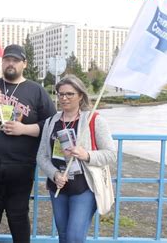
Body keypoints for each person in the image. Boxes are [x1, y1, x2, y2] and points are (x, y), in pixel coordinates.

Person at [0, 44, 57, 242]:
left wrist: (25, 129)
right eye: (7, 59)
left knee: (18, 216)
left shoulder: (36, 90)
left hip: (20, 166)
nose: (10, 63)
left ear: (24, 64)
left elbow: (52, 125)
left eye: (15, 60)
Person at [37, 75, 116, 243]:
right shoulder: (51, 122)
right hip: (58, 186)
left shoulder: (94, 120)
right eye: (60, 94)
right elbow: (42, 156)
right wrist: (55, 175)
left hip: (84, 188)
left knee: (74, 237)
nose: (64, 98)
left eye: (69, 94)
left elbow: (111, 154)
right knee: (64, 236)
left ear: (80, 95)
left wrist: (86, 155)